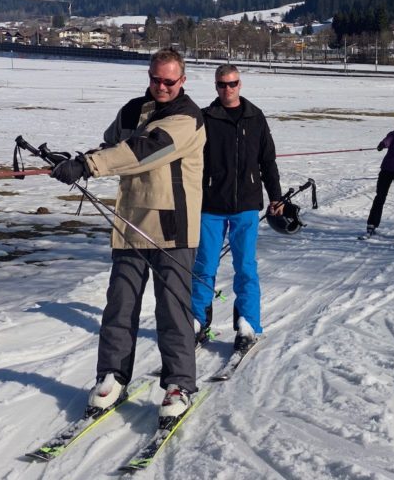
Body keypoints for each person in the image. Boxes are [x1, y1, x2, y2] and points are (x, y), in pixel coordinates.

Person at [50, 48, 206, 423]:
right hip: (130, 223)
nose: (162, 87)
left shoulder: (187, 117)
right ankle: (112, 376)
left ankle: (179, 384)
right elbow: (113, 145)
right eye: (156, 79)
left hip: (172, 228)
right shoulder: (132, 109)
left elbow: (143, 150)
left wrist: (88, 165)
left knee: (173, 311)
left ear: (182, 80)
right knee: (119, 305)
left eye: (170, 81)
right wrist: (75, 160)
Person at [190, 64, 283, 355]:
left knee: (245, 266)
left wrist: (276, 197)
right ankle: (197, 321)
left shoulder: (255, 117)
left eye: (232, 84)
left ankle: (248, 324)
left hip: (245, 204)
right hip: (211, 204)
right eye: (221, 85)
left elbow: (268, 160)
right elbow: (192, 164)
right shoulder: (205, 118)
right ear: (216, 86)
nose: (227, 89)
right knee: (205, 265)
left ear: (240, 84)